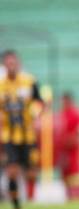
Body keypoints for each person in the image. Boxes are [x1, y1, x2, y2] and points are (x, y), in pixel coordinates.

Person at [0, 50, 42, 209]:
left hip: (28, 134)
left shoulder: (29, 81)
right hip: (9, 136)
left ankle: (30, 198)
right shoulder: (1, 85)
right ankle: (16, 205)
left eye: (14, 63)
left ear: (18, 64)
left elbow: (40, 102)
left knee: (31, 173)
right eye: (8, 63)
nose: (11, 66)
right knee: (12, 171)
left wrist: (36, 115)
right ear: (5, 65)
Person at [54, 92, 79, 201]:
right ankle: (70, 200)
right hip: (62, 151)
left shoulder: (76, 113)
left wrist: (72, 139)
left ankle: (78, 198)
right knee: (65, 175)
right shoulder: (60, 114)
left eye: (64, 101)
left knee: (75, 174)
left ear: (69, 101)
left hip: (73, 150)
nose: (62, 103)